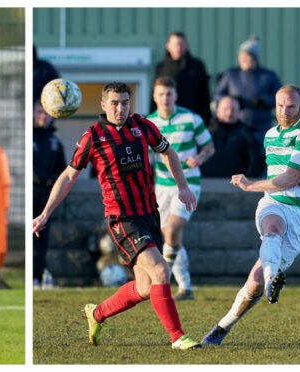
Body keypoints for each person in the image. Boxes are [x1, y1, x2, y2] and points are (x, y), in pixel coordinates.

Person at [33, 82, 201, 350]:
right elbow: (68, 176)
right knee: (161, 269)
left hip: (148, 212)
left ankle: (96, 313)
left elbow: (168, 151)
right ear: (103, 105)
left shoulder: (143, 126)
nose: (119, 108)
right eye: (114, 103)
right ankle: (177, 337)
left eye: (124, 102)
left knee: (146, 287)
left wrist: (183, 186)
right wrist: (44, 214)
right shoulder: (93, 136)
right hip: (122, 218)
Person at [201, 85, 300, 346]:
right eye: (280, 105)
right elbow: (276, 184)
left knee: (254, 283)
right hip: (273, 203)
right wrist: (260, 189)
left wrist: (249, 185)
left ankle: (224, 324)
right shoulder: (270, 135)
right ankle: (273, 278)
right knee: (272, 229)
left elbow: (290, 178)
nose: (285, 111)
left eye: (291, 106)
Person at [147, 76, 215, 300]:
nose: (165, 98)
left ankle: (162, 278)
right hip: (162, 186)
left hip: (188, 182)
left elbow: (209, 147)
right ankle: (185, 287)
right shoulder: (149, 123)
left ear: (175, 95)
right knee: (171, 238)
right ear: (154, 97)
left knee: (172, 229)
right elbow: (145, 156)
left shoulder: (191, 118)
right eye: (161, 94)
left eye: (169, 94)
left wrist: (199, 158)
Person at [214, 35, 282, 147]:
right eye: (241, 56)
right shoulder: (231, 75)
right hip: (236, 127)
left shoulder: (268, 76)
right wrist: (233, 101)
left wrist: (264, 101)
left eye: (247, 56)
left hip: (261, 128)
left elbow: (280, 98)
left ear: (255, 58)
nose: (243, 59)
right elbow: (218, 95)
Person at [33, 101, 67, 288]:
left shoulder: (55, 142)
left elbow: (63, 171)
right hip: (30, 196)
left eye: (46, 113)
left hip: (45, 198)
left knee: (41, 240)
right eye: (39, 112)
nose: (43, 116)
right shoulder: (29, 138)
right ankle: (31, 276)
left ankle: (38, 277)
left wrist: (51, 180)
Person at [150, 31, 212, 124]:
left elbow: (205, 95)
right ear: (168, 46)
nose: (179, 48)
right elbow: (154, 95)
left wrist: (206, 119)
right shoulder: (161, 68)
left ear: (187, 45)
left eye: (181, 44)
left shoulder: (197, 66)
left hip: (192, 119)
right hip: (167, 120)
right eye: (175, 44)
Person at [201, 96, 265, 177]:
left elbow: (257, 162)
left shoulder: (248, 135)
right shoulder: (204, 132)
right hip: (205, 184)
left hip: (235, 187)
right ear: (217, 111)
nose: (229, 113)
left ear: (239, 113)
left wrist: (248, 184)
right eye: (225, 109)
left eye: (233, 110)